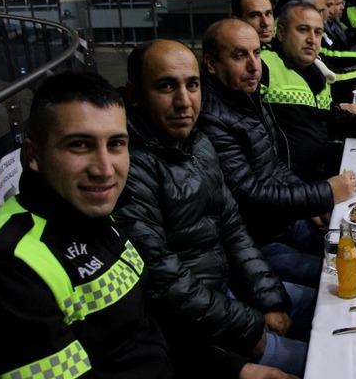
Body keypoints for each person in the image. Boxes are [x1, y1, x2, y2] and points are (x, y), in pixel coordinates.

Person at [115, 39, 311, 378]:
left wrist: (269, 299)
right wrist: (248, 325)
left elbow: (233, 228)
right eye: (166, 86)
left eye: (191, 85)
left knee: (343, 307)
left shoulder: (198, 143)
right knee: (332, 362)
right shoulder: (127, 167)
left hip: (231, 295)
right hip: (199, 329)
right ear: (135, 95)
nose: (183, 101)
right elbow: (165, 281)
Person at [0, 72, 172, 378]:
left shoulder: (90, 211)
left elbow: (144, 329)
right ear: (33, 156)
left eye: (116, 144)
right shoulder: (3, 268)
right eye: (80, 145)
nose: (104, 169)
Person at [199, 19, 356, 289]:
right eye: (239, 55)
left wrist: (311, 202)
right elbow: (251, 196)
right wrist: (324, 193)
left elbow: (274, 166)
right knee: (341, 275)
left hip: (283, 222)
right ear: (211, 64)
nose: (253, 65)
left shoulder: (246, 96)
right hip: (260, 242)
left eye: (256, 53)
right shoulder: (213, 119)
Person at [263, 0, 356, 181]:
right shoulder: (264, 64)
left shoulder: (315, 70)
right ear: (282, 32)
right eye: (302, 29)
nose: (311, 39)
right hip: (293, 184)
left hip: (322, 171)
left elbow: (331, 120)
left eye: (318, 32)